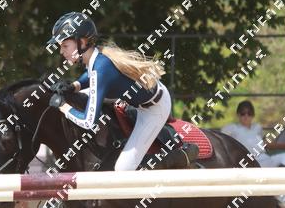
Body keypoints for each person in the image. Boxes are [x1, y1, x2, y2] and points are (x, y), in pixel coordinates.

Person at [47, 12, 196, 170]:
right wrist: (74, 86)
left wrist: (63, 107)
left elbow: (88, 122)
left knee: (123, 169)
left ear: (82, 42)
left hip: (154, 109)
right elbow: (90, 76)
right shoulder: (96, 58)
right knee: (80, 95)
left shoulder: (101, 68)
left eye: (65, 46)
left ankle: (180, 155)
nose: (61, 52)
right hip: (141, 98)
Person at [221, 100, 285, 168]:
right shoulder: (232, 128)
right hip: (249, 162)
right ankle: (279, 180)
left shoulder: (257, 127)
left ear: (253, 115)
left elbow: (263, 141)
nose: (246, 116)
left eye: (249, 113)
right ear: (238, 115)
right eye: (243, 113)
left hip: (264, 158)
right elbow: (220, 140)